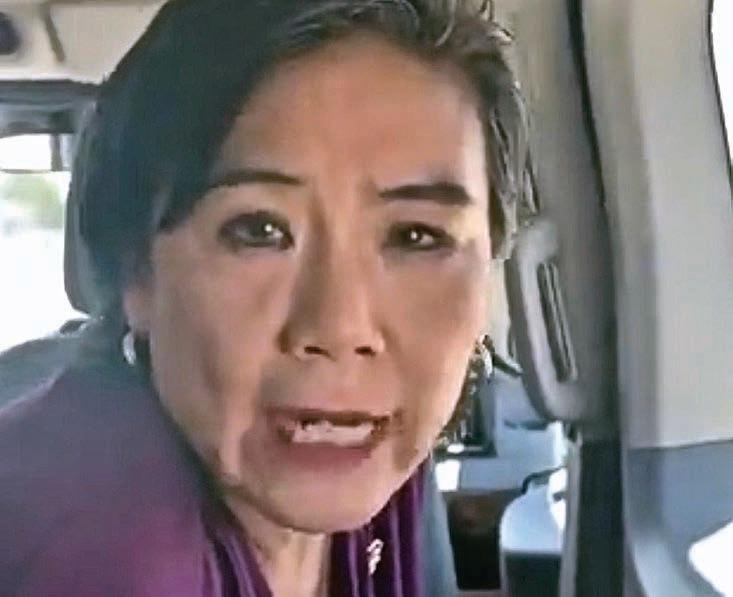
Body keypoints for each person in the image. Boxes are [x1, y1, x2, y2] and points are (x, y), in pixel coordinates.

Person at [0, 0, 528, 595]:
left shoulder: (371, 450)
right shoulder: (100, 553)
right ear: (136, 272)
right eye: (259, 231)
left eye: (416, 237)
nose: (341, 327)